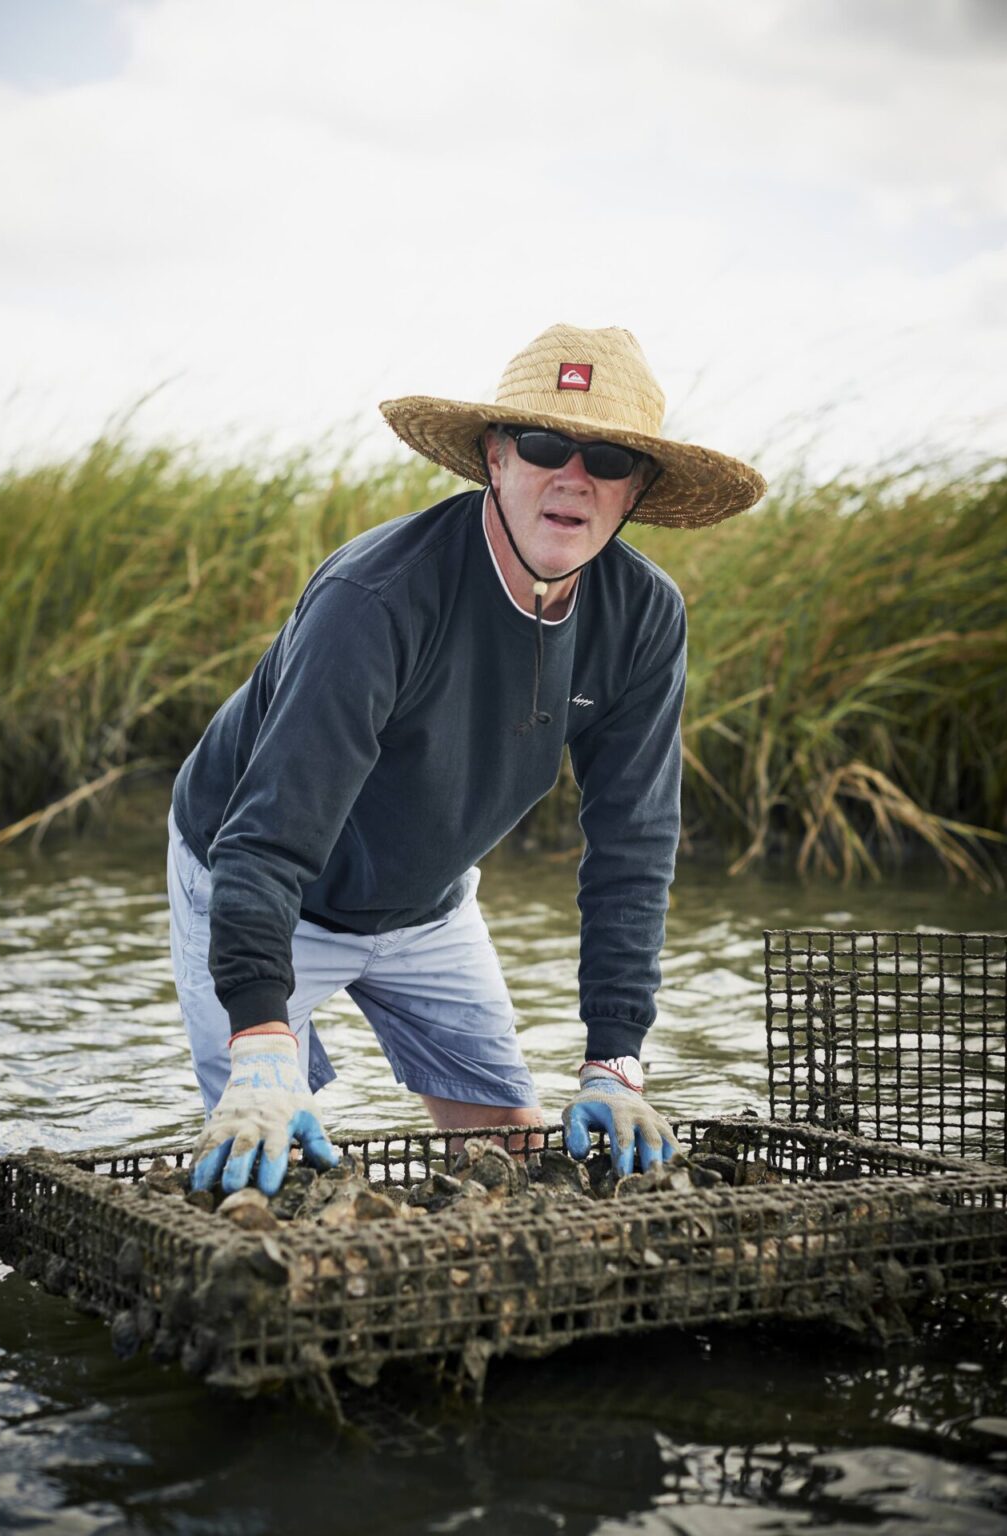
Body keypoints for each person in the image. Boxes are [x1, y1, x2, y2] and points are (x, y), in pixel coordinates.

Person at [168, 322, 766, 1198]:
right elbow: (265, 840)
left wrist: (614, 1060)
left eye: (605, 458)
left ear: (634, 487)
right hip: (258, 884)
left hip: (427, 904)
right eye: (544, 443)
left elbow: (633, 846)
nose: (572, 475)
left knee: (511, 1166)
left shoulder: (643, 618)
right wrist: (259, 1044)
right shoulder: (373, 599)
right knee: (265, 1174)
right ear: (495, 456)